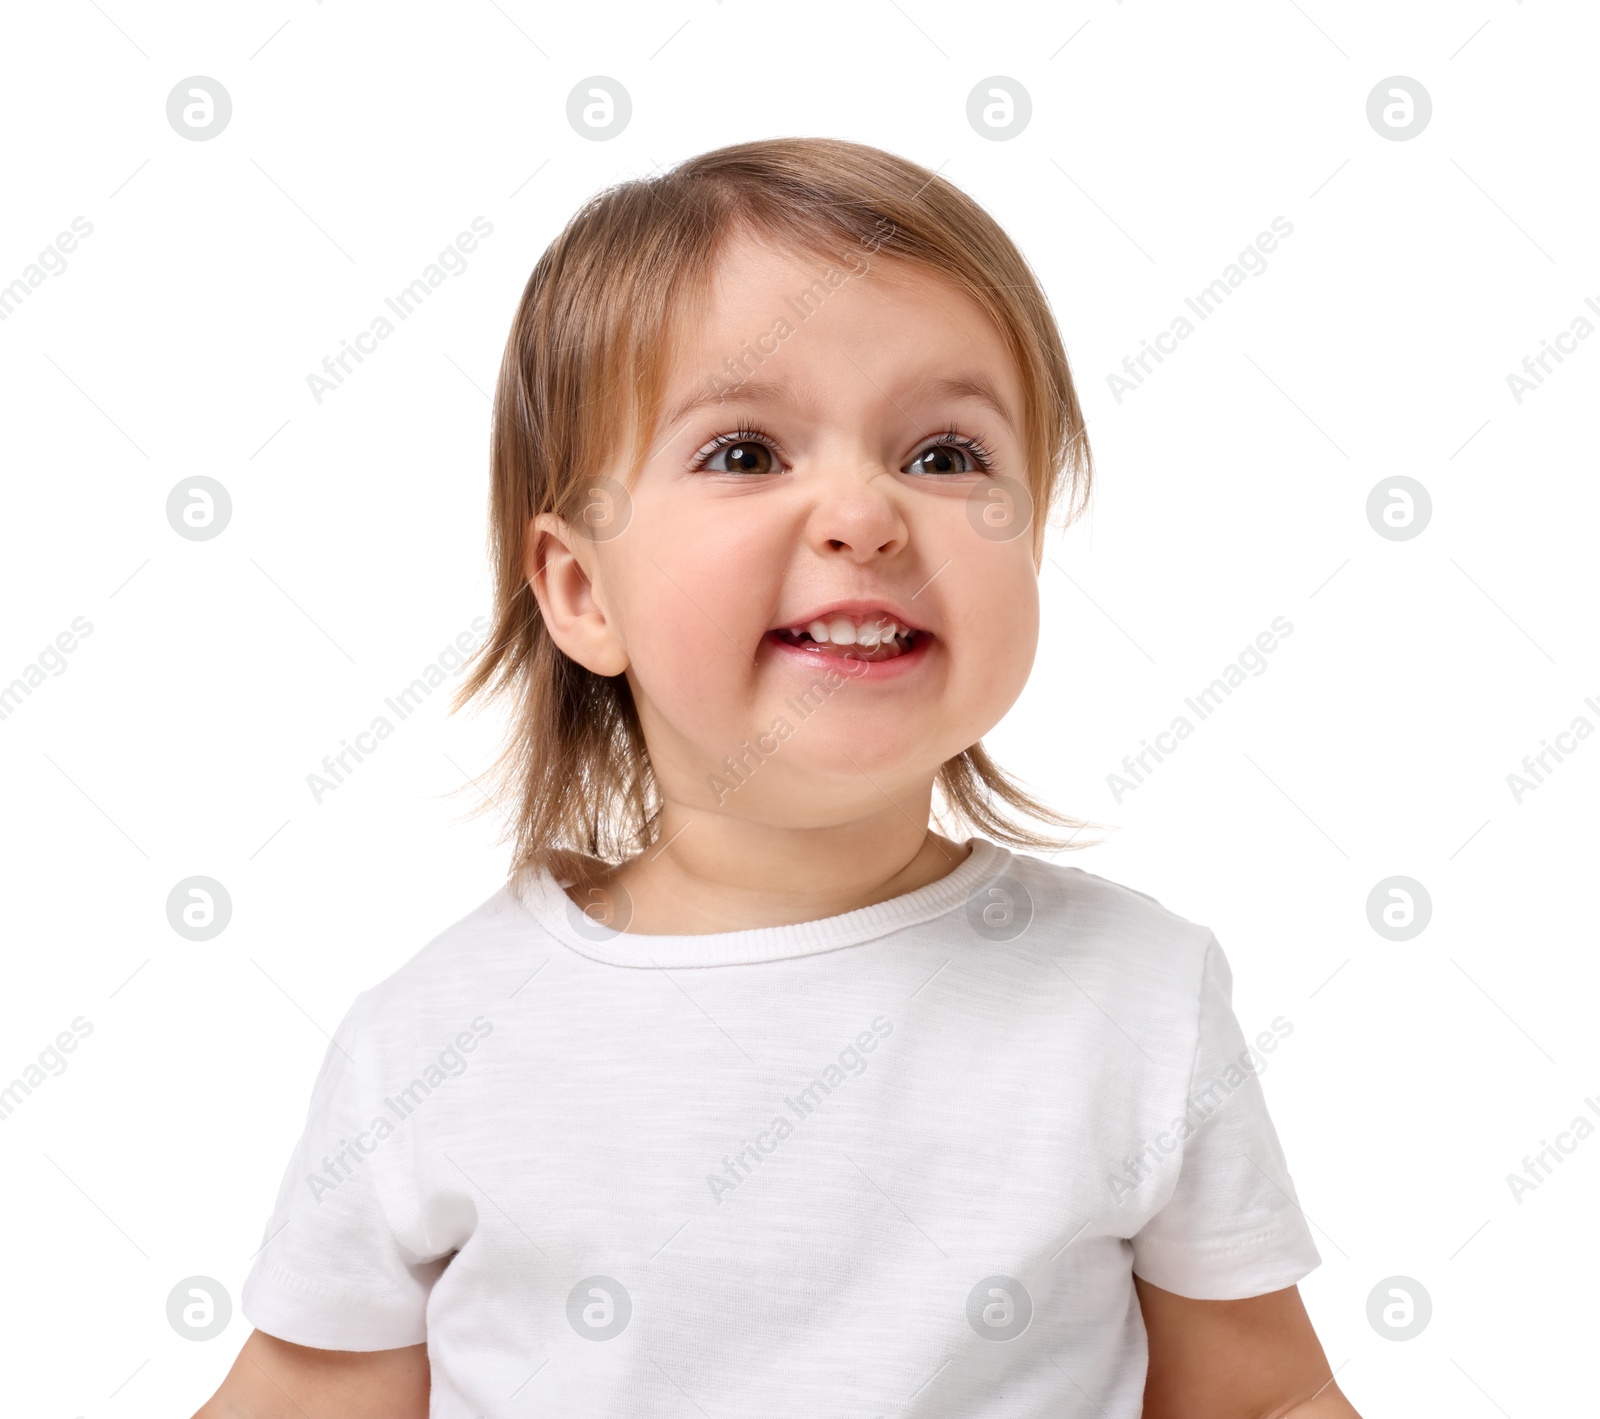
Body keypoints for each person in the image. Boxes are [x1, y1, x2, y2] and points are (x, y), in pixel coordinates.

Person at [196, 137, 1359, 1418]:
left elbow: (1258, 1399)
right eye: (745, 453)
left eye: (945, 455)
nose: (864, 514)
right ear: (582, 590)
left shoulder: (1134, 998)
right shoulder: (436, 1039)